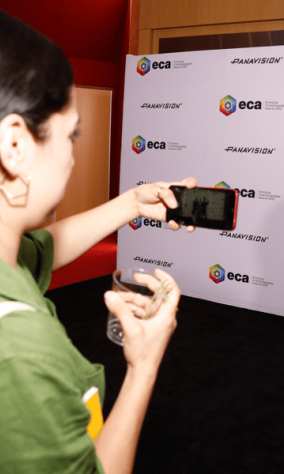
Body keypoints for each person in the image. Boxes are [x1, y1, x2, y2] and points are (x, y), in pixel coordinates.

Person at [0, 12, 196, 473]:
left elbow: (43, 250)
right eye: (73, 135)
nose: (72, 156)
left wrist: (132, 202)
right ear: (14, 147)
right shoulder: (21, 351)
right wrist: (144, 365)